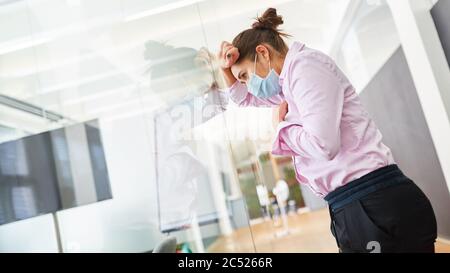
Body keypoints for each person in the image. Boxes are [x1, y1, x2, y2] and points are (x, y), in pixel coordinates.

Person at [217, 8, 437, 253]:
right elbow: (246, 99)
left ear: (262, 52)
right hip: (355, 204)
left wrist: (281, 127)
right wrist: (227, 72)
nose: (249, 85)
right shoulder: (288, 85)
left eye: (246, 75)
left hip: (373, 202)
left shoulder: (305, 68)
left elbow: (323, 144)